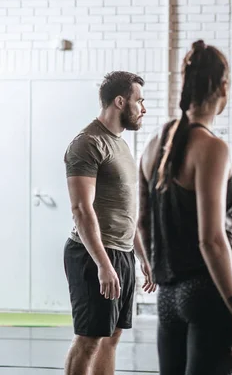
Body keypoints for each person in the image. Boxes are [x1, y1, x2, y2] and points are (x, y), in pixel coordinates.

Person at [137, 40, 232, 374]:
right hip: (209, 293)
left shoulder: (154, 146)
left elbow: (142, 223)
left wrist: (157, 268)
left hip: (169, 297)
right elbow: (212, 239)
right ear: (223, 86)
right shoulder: (212, 148)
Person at [63, 71, 157, 375]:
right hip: (94, 255)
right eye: (138, 100)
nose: (143, 108)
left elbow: (127, 210)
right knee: (89, 339)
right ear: (120, 101)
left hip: (122, 253)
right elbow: (81, 209)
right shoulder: (86, 144)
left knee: (111, 337)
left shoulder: (121, 145)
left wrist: (142, 256)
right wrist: (104, 264)